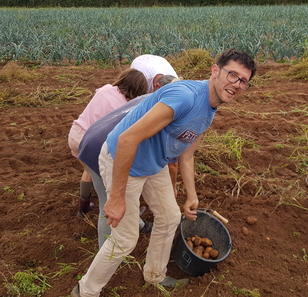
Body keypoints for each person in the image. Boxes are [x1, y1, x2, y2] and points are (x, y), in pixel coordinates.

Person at [71, 49, 257, 297]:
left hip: (153, 162)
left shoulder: (210, 109)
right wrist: (115, 197)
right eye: (232, 75)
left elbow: (187, 154)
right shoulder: (185, 97)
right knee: (125, 238)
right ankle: (85, 291)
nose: (236, 84)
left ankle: (155, 275)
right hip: (123, 159)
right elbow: (127, 140)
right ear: (215, 71)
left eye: (243, 81)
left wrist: (191, 195)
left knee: (170, 218)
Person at [77, 75, 178, 248]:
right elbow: (172, 165)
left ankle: (139, 225)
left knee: (127, 194)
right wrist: (173, 190)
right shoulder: (170, 114)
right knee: (108, 203)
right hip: (101, 148)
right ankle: (107, 252)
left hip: (92, 136)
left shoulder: (149, 98)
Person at [68, 69, 148, 216]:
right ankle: (132, 216)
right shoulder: (123, 107)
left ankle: (83, 208)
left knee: (88, 171)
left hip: (75, 133)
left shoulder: (106, 88)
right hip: (89, 141)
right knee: (110, 180)